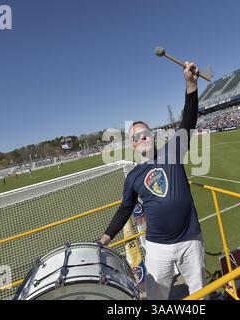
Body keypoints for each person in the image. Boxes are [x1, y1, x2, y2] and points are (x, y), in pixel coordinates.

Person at [99, 61, 207, 300]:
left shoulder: (172, 151)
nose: (141, 136)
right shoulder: (133, 177)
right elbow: (125, 208)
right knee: (157, 298)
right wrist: (105, 238)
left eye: (144, 131)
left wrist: (190, 84)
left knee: (200, 294)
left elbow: (188, 121)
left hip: (191, 239)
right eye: (135, 136)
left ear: (153, 135)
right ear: (133, 145)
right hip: (158, 248)